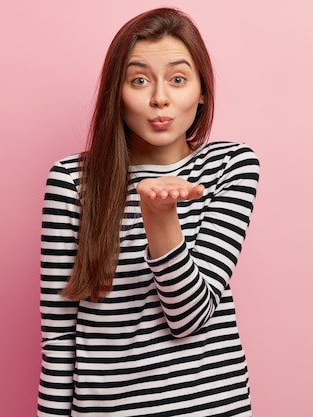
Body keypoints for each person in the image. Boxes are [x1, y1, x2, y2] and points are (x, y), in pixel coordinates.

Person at [38, 7, 259, 417]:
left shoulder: (232, 165)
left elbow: (189, 317)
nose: (160, 97)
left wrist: (159, 216)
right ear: (116, 93)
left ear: (202, 91)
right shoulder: (72, 179)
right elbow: (58, 337)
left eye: (178, 79)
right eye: (139, 80)